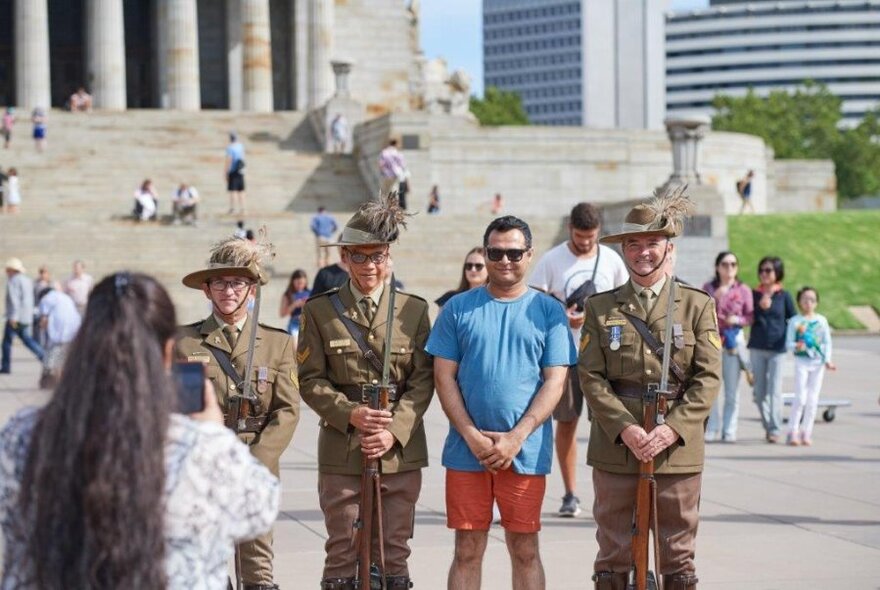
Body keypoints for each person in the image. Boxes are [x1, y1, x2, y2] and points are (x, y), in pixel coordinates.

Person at [0, 272, 280, 589]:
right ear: (166, 353)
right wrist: (213, 432)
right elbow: (261, 509)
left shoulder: (21, 436)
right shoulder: (200, 448)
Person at [578, 186, 721, 590]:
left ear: (667, 246)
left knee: (677, 556)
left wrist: (671, 428)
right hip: (618, 445)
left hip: (676, 447)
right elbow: (590, 376)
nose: (644, 252)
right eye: (634, 243)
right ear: (623, 250)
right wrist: (626, 428)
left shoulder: (697, 305)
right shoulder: (600, 307)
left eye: (653, 243)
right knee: (613, 552)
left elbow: (708, 378)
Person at [426, 215, 574, 590]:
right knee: (467, 549)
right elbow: (443, 377)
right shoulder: (458, 309)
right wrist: (473, 436)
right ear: (486, 253)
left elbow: (555, 382)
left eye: (513, 253)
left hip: (524, 451)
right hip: (466, 451)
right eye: (495, 252)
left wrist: (516, 437)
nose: (504, 261)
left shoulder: (549, 311)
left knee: (525, 548)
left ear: (529, 255)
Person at [297, 194, 433, 590]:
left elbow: (423, 379)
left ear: (388, 257)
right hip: (343, 446)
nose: (368, 266)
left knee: (394, 553)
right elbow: (309, 379)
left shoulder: (414, 310)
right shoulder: (320, 311)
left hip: (399, 450)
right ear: (344, 259)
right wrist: (349, 414)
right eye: (359, 256)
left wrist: (394, 430)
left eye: (376, 256)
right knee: (343, 549)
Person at [177, 236, 300, 590]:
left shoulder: (277, 344)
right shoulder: (186, 343)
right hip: (204, 469)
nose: (228, 291)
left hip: (256, 466)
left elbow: (287, 410)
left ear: (253, 291)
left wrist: (255, 464)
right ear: (206, 289)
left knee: (257, 567)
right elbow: (183, 412)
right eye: (219, 282)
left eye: (237, 283)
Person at [529, 202, 628, 518]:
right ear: (570, 228)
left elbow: (625, 305)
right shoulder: (552, 259)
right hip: (565, 355)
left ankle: (608, 494)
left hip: (605, 356)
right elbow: (534, 303)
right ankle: (570, 492)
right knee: (567, 423)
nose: (585, 242)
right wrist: (562, 316)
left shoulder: (611, 260)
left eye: (591, 237)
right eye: (579, 236)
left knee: (608, 424)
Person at [702, 251, 754, 443]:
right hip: (713, 342)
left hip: (733, 343)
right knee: (712, 389)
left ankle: (729, 429)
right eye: (725, 264)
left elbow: (750, 316)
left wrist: (738, 319)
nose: (729, 268)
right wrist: (715, 297)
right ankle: (712, 427)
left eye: (733, 264)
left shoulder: (743, 290)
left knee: (732, 391)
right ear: (717, 267)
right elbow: (701, 313)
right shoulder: (708, 287)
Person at [748, 256, 796, 444]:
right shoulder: (754, 294)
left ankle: (775, 429)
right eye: (762, 270)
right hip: (757, 347)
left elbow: (793, 319)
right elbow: (746, 315)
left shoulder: (783, 295)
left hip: (778, 349)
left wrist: (796, 341)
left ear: (777, 273)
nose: (764, 274)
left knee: (775, 391)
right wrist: (757, 309)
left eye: (768, 270)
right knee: (759, 393)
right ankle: (769, 425)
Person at [785, 286, 836, 447]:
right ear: (799, 301)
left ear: (816, 302)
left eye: (812, 300)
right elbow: (788, 343)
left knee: (813, 399)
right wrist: (797, 346)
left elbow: (827, 342)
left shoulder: (821, 321)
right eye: (805, 299)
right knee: (800, 397)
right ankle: (793, 430)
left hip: (817, 363)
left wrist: (827, 359)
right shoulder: (795, 321)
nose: (808, 302)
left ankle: (806, 431)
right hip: (802, 362)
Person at [1, 258, 45, 374]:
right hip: (26, 316)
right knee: (27, 340)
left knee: (7, 342)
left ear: (12, 270)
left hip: (16, 318)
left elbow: (15, 301)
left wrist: (13, 317)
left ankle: (6, 367)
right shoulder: (26, 280)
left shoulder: (13, 281)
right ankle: (44, 358)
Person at [35, 285, 81, 389]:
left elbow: (43, 319)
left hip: (59, 329)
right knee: (64, 354)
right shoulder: (65, 297)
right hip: (74, 326)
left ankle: (50, 379)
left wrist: (41, 327)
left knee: (54, 352)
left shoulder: (45, 299)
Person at [279, 269, 310, 348]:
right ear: (293, 281)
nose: (300, 285)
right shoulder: (288, 294)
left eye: (302, 283)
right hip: (295, 324)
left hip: (308, 323)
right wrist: (294, 305)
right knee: (296, 346)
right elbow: (282, 314)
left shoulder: (310, 293)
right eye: (298, 283)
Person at [226, 132, 247, 215]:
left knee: (233, 191)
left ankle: (233, 208)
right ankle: (243, 208)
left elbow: (229, 160)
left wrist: (226, 171)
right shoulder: (240, 146)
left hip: (233, 171)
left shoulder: (230, 148)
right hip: (241, 170)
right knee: (241, 191)